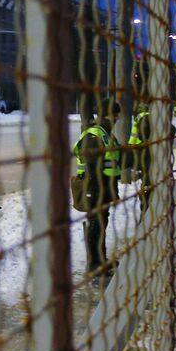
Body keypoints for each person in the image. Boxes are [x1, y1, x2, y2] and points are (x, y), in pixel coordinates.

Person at [73, 99, 122, 278]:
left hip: (103, 189)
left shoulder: (105, 134)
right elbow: (91, 167)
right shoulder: (95, 135)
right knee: (95, 224)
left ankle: (100, 260)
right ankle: (94, 264)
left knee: (101, 224)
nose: (117, 118)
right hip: (95, 190)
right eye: (116, 115)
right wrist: (94, 192)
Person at [127, 101, 154, 211]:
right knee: (147, 178)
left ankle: (145, 203)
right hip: (145, 153)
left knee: (146, 177)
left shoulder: (140, 117)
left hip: (140, 152)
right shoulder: (145, 117)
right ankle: (145, 204)